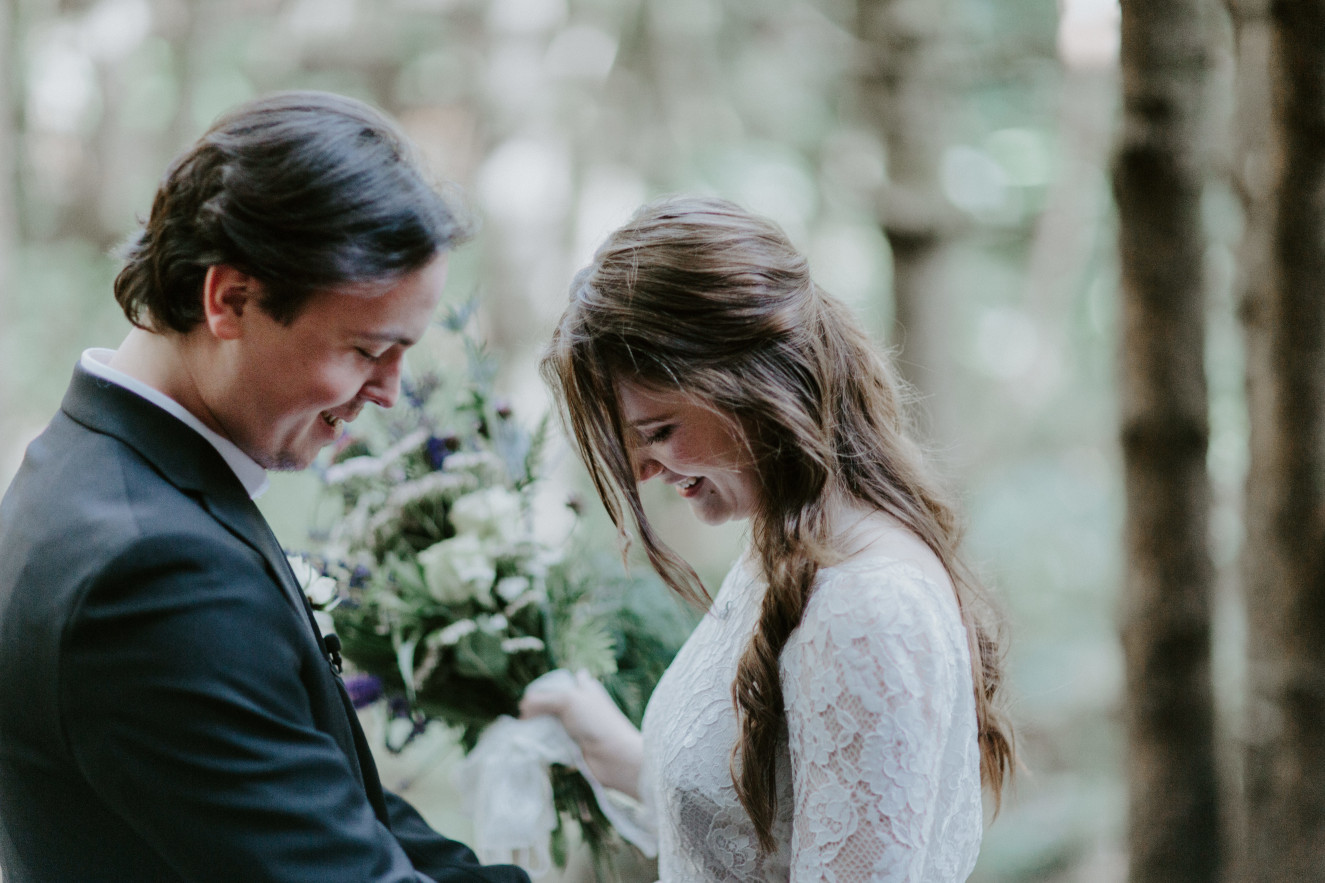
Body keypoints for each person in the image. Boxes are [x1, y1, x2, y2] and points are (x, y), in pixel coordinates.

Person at [0, 91, 529, 883]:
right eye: (366, 349)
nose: (390, 390)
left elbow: (341, 806)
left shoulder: (100, 474)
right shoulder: (151, 570)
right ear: (231, 300)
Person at [524, 196, 1015, 880]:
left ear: (755, 385)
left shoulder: (864, 606)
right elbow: (760, 829)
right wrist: (615, 747)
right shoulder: (782, 553)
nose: (640, 470)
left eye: (658, 431)